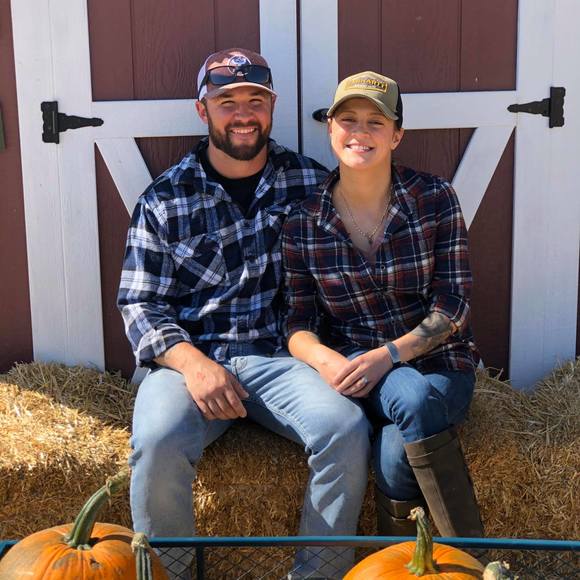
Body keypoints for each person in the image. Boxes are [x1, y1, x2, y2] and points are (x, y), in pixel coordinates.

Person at [117, 48, 371, 580]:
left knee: (346, 428)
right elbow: (140, 304)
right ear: (202, 109)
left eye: (255, 100)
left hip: (282, 357)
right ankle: (172, 575)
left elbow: (345, 275)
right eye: (226, 101)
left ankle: (317, 576)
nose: (243, 114)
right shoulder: (164, 198)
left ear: (272, 107)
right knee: (158, 442)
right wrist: (194, 365)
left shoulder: (311, 184)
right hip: (189, 360)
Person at [282, 71, 484, 539]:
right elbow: (297, 322)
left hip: (439, 363)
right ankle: (478, 559)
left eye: (376, 122)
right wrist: (326, 361)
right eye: (348, 120)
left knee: (396, 450)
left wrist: (390, 355)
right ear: (330, 128)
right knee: (409, 398)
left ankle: (427, 560)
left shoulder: (434, 198)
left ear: (396, 135)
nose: (360, 132)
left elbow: (453, 305)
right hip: (355, 367)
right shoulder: (303, 221)